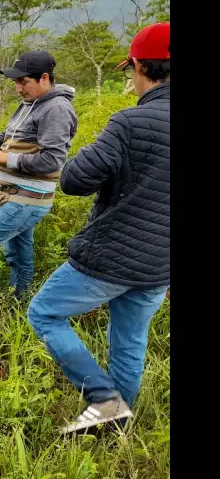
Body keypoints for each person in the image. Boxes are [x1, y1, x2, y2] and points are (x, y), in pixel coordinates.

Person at [26, 22, 170, 435]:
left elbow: (73, 180)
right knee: (129, 339)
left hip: (112, 257)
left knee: (44, 313)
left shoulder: (129, 123)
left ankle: (104, 400)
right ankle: (117, 423)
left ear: (139, 66)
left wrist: (105, 143)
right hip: (159, 264)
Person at [0, 50, 78, 297]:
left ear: (44, 78)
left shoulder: (56, 109)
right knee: (17, 250)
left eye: (23, 81)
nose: (18, 88)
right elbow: (16, 139)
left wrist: (3, 157)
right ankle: (19, 300)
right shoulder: (31, 103)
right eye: (16, 82)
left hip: (27, 199)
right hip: (15, 196)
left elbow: (53, 159)